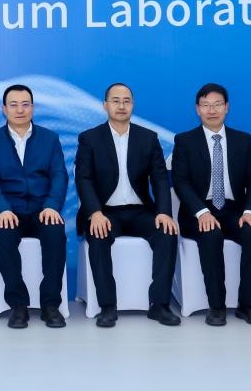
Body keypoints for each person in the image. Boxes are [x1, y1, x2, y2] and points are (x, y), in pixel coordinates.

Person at [75, 83, 180, 327]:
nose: (121, 106)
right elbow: (84, 179)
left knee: (167, 232)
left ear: (132, 105)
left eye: (126, 101)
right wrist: (94, 212)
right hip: (105, 212)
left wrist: (164, 212)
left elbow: (160, 179)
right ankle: (107, 307)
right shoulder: (90, 138)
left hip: (140, 211)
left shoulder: (148, 138)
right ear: (105, 105)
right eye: (115, 101)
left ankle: (160, 305)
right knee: (98, 234)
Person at [172, 83, 251, 326]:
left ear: (227, 107)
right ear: (197, 109)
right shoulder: (185, 141)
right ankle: (216, 306)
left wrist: (250, 211)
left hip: (234, 210)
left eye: (217, 104)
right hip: (197, 211)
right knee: (210, 234)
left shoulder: (242, 140)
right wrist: (202, 212)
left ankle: (248, 306)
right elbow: (181, 182)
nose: (212, 110)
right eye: (206, 105)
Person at [0, 84, 68, 329]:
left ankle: (50, 304)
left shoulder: (50, 139)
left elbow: (59, 175)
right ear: (4, 109)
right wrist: (2, 208)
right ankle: (18, 305)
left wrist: (52, 205)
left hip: (43, 209)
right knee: (5, 238)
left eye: (25, 104)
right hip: (9, 210)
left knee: (56, 234)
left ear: (33, 107)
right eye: (14, 105)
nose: (20, 110)